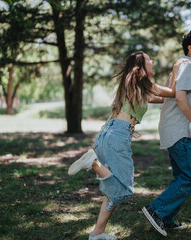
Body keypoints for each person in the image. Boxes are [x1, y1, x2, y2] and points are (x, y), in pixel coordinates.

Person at [68, 51, 176, 240]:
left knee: (113, 190)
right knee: (124, 190)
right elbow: (173, 92)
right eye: (149, 60)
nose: (152, 62)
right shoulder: (143, 83)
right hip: (117, 136)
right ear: (141, 66)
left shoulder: (136, 86)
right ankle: (93, 163)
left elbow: (165, 98)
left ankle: (97, 234)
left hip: (107, 134)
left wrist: (171, 84)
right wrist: (176, 73)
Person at [141, 28, 191, 237]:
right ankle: (156, 210)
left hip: (172, 129)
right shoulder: (187, 65)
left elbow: (169, 95)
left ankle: (166, 218)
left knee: (182, 175)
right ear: (190, 48)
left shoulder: (182, 65)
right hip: (180, 131)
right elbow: (180, 97)